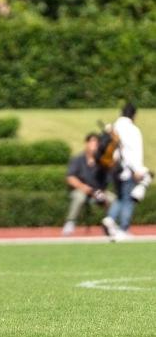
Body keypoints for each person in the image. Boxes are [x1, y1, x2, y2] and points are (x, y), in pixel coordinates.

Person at [102, 103, 149, 242]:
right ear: (134, 115)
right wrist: (136, 169)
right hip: (128, 169)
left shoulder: (114, 127)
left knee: (121, 197)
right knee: (128, 199)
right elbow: (132, 152)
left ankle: (110, 218)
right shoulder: (132, 130)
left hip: (114, 168)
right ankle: (123, 228)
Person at [62, 133, 116, 236]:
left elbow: (107, 179)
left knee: (113, 200)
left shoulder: (102, 162)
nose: (94, 145)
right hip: (81, 190)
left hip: (98, 192)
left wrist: (101, 192)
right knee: (79, 197)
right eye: (92, 142)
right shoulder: (78, 159)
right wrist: (83, 187)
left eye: (97, 143)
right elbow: (70, 178)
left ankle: (110, 224)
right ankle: (70, 223)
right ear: (86, 143)